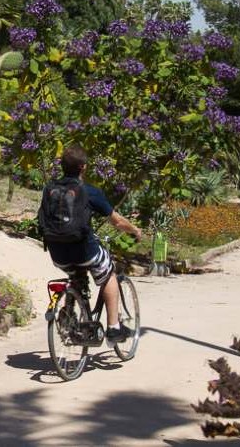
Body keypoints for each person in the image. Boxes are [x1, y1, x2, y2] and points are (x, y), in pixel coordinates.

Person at [37, 144, 143, 344]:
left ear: (62, 166)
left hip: (57, 253)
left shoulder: (49, 190)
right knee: (108, 274)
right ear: (83, 167)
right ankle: (113, 328)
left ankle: (69, 312)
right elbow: (117, 221)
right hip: (84, 251)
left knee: (75, 274)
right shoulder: (88, 191)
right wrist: (136, 230)